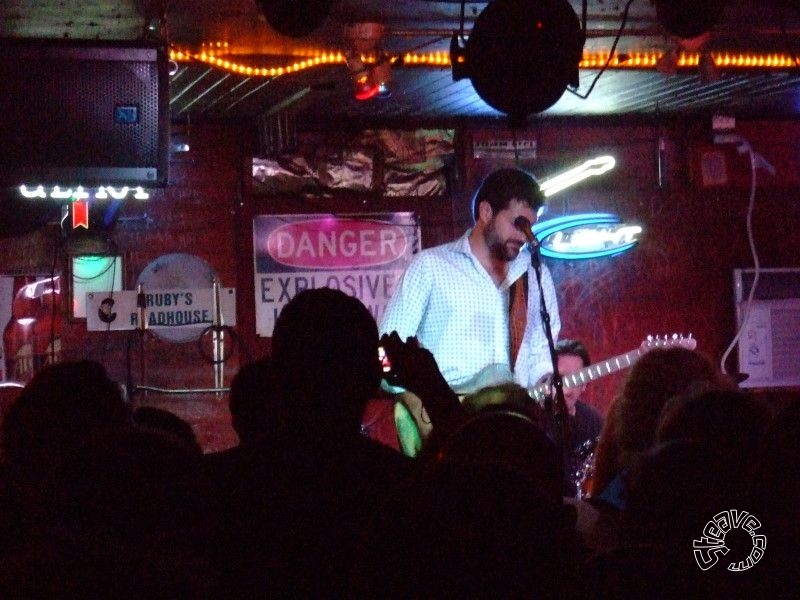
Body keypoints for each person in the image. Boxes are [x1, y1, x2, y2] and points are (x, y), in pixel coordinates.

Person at [380, 167, 560, 447]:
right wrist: (417, 404)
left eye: (530, 227)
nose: (525, 236)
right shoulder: (431, 267)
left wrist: (545, 378)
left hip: (511, 424)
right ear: (486, 212)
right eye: (518, 223)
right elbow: (385, 350)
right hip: (442, 422)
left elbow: (539, 349)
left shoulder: (533, 274)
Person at [543, 339, 605, 497]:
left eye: (576, 380)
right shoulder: (535, 422)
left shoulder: (595, 421)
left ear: (585, 384)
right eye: (561, 379)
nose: (568, 390)